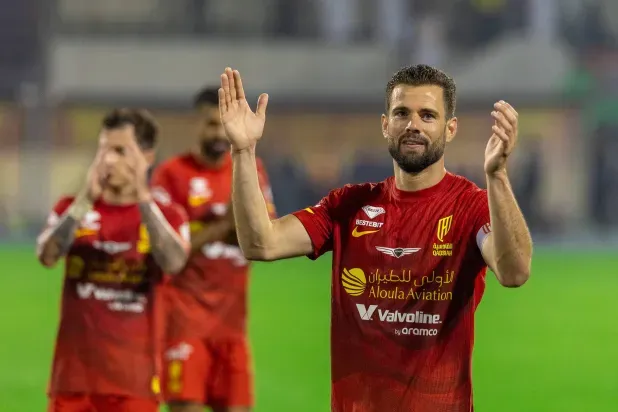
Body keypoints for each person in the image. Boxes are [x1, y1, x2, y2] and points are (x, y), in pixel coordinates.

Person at [218, 65, 533, 412]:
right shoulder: (349, 205)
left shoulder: (470, 206)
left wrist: (497, 175)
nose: (413, 125)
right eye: (402, 113)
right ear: (386, 125)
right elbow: (261, 243)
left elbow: (514, 271)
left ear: (450, 128)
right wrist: (243, 151)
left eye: (428, 115)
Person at [36, 108, 190, 412]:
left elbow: (174, 262)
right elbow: (47, 256)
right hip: (73, 382)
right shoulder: (72, 208)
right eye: (103, 149)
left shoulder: (168, 215)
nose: (108, 160)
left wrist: (143, 199)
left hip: (133, 384)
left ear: (147, 157)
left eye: (120, 151)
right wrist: (84, 201)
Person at [150, 87, 275, 412]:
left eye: (224, 125)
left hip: (233, 327)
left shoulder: (250, 170)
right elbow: (165, 253)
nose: (220, 134)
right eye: (211, 124)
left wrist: (224, 228)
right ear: (196, 124)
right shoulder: (171, 175)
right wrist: (224, 226)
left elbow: (265, 238)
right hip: (184, 325)